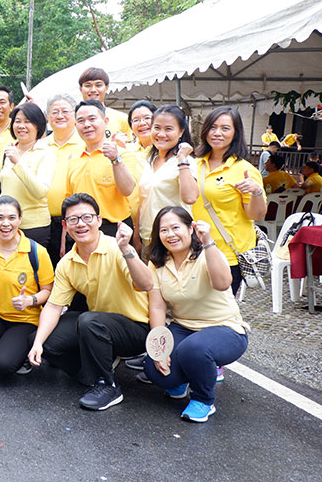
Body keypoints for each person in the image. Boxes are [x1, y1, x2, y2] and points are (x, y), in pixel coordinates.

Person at [28, 194, 151, 411]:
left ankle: (107, 385)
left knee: (88, 320)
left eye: (87, 217)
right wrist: (37, 343)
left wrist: (127, 250)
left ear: (99, 220)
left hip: (137, 327)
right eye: (74, 220)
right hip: (100, 326)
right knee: (43, 340)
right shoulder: (67, 262)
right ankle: (94, 369)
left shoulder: (116, 247)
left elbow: (145, 284)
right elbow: (54, 306)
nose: (81, 224)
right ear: (65, 225)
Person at [138, 207, 249, 423]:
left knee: (194, 349)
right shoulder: (158, 262)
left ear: (191, 229)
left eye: (175, 228)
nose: (170, 234)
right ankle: (183, 378)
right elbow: (158, 307)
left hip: (225, 328)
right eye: (163, 230)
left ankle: (204, 400)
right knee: (153, 366)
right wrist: (159, 347)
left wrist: (208, 241)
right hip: (184, 326)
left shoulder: (209, 253)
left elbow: (223, 283)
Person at [0, 196, 54, 376]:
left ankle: (18, 352)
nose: (5, 223)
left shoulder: (37, 252)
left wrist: (30, 300)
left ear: (20, 219)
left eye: (11, 218)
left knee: (3, 366)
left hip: (26, 320)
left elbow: (48, 291)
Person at [192, 106, 266, 297]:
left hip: (228, 254)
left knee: (218, 310)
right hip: (194, 250)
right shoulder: (195, 163)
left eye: (225, 128)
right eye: (213, 127)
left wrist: (256, 191)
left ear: (235, 133)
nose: (217, 133)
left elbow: (256, 215)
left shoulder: (244, 170)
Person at [66, 100, 140, 234]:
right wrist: (64, 237)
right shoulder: (73, 158)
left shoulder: (124, 155)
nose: (87, 125)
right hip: (81, 229)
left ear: (105, 121)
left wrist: (115, 159)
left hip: (114, 229)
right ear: (76, 125)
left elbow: (127, 190)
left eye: (92, 119)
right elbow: (69, 201)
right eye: (81, 121)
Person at [135, 105, 198, 251]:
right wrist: (137, 237)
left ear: (181, 132)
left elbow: (190, 198)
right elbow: (143, 200)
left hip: (174, 241)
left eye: (168, 129)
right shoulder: (150, 160)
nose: (161, 134)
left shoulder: (186, 162)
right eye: (157, 128)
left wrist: (182, 159)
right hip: (148, 239)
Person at [0, 103, 54, 248]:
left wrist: (18, 162)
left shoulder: (46, 152)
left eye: (27, 122)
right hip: (6, 226)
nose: (21, 126)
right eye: (17, 121)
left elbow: (40, 192)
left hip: (33, 226)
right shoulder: (8, 150)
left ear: (38, 126)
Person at [42, 93, 84, 266]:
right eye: (54, 112)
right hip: (43, 222)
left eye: (65, 111)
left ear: (74, 115)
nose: (60, 116)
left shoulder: (84, 143)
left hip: (74, 223)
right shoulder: (40, 145)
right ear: (47, 117)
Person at [78, 67, 131, 137]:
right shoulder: (71, 120)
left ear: (106, 88)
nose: (93, 90)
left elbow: (129, 146)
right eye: (88, 85)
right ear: (81, 89)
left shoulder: (122, 119)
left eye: (98, 85)